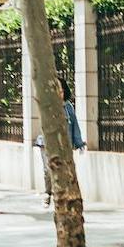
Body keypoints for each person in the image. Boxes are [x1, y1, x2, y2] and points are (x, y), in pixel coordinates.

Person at [34, 76, 86, 208]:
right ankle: (48, 193)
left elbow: (74, 124)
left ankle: (65, 195)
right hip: (47, 143)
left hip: (64, 144)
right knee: (48, 169)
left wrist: (78, 142)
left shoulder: (68, 107)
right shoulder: (47, 106)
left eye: (61, 91)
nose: (59, 94)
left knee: (65, 169)